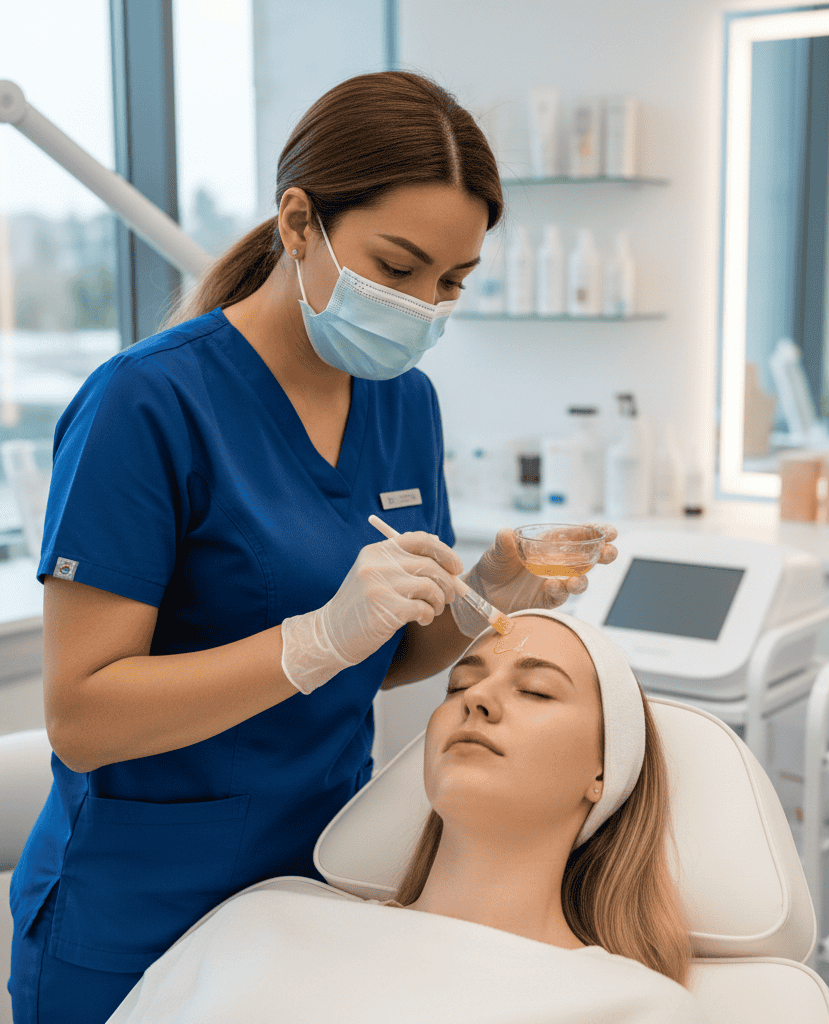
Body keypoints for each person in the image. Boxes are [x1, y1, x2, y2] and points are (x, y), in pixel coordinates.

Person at [7, 72, 616, 1024]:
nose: (424, 306)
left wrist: (488, 593)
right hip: (138, 902)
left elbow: (381, 659)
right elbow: (83, 717)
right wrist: (313, 639)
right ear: (299, 223)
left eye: (452, 282)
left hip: (318, 878)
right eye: (398, 267)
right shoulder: (145, 403)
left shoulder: (403, 402)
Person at [105, 611, 707, 1024]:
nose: (477, 698)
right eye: (458, 685)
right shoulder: (259, 922)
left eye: (537, 691)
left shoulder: (634, 1007)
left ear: (604, 770)